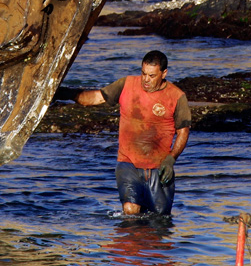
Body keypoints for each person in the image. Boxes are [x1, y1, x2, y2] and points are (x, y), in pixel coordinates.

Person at [74, 50, 190, 216]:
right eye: (143, 74)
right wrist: (65, 93)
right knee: (130, 211)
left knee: (159, 219)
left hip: (159, 166)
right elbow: (96, 97)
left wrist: (171, 159)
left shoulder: (177, 96)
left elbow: (183, 132)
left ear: (164, 73)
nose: (146, 80)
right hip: (128, 162)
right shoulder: (126, 84)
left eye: (151, 75)